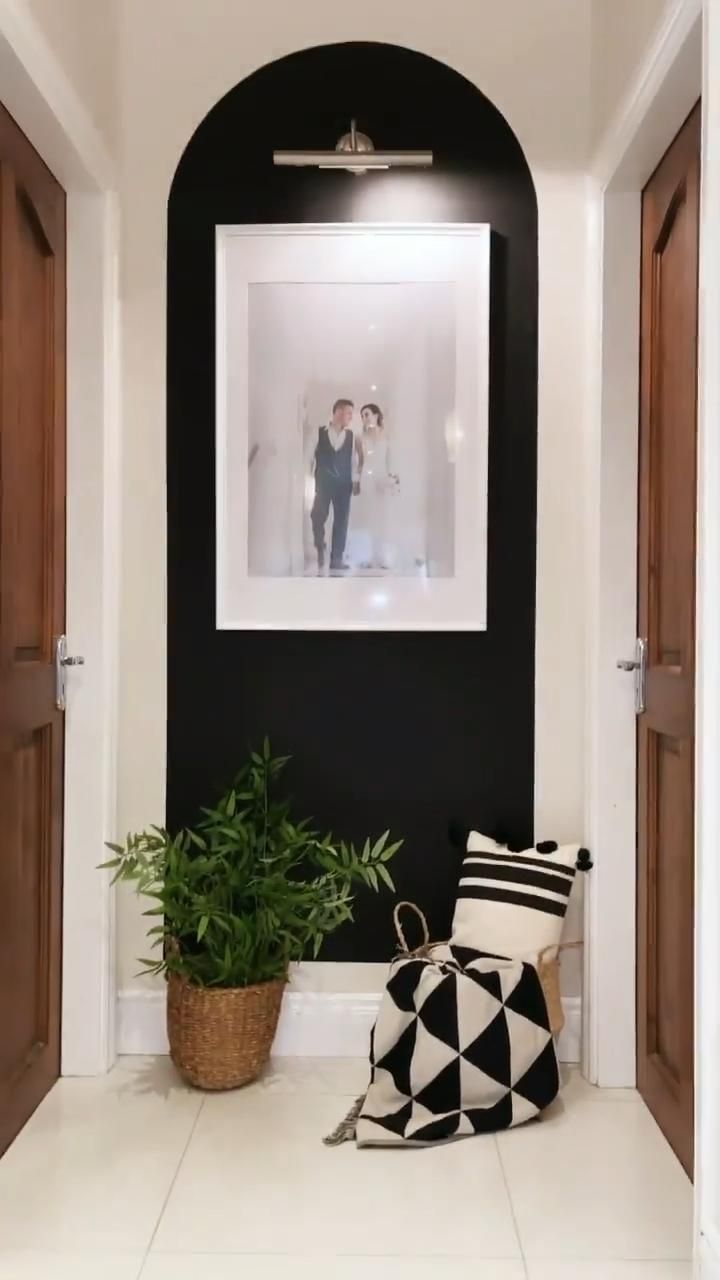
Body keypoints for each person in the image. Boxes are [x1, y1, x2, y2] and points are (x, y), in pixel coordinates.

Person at [308, 398, 362, 573]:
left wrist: (355, 480)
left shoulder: (352, 436)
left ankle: (336, 558)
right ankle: (319, 547)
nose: (350, 417)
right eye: (348, 413)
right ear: (338, 412)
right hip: (323, 483)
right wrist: (309, 478)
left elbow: (354, 461)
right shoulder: (319, 432)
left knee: (341, 521)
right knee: (317, 517)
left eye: (351, 414)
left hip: (344, 484)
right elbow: (309, 457)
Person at [352, 402, 399, 571]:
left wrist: (392, 478)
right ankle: (370, 557)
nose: (364, 418)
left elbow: (391, 459)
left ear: (376, 415)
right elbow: (359, 462)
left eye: (367, 414)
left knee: (383, 517)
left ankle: (383, 557)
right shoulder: (359, 438)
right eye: (362, 415)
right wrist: (356, 481)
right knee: (369, 518)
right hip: (367, 478)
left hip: (382, 478)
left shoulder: (387, 435)